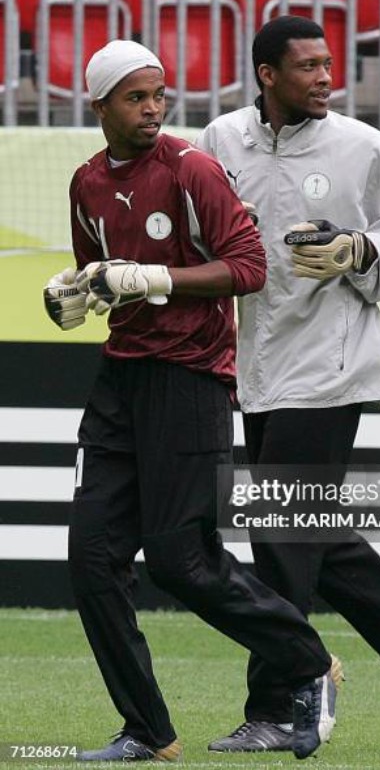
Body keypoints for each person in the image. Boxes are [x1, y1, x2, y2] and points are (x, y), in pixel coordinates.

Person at [43, 38, 339, 763]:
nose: (152, 109)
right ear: (101, 105)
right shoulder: (85, 183)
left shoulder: (192, 170)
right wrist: (75, 291)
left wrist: (155, 279)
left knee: (182, 560)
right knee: (90, 559)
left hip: (193, 376)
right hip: (121, 379)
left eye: (159, 94)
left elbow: (249, 268)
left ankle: (309, 662)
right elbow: (98, 271)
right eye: (135, 97)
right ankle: (146, 730)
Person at [196, 16, 380, 755]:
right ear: (265, 75)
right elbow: (199, 225)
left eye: (327, 65)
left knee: (282, 535)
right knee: (304, 532)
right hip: (259, 363)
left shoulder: (360, 147)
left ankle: (281, 704)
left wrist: (358, 249)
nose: (324, 78)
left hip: (332, 362)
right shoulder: (221, 141)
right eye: (307, 66)